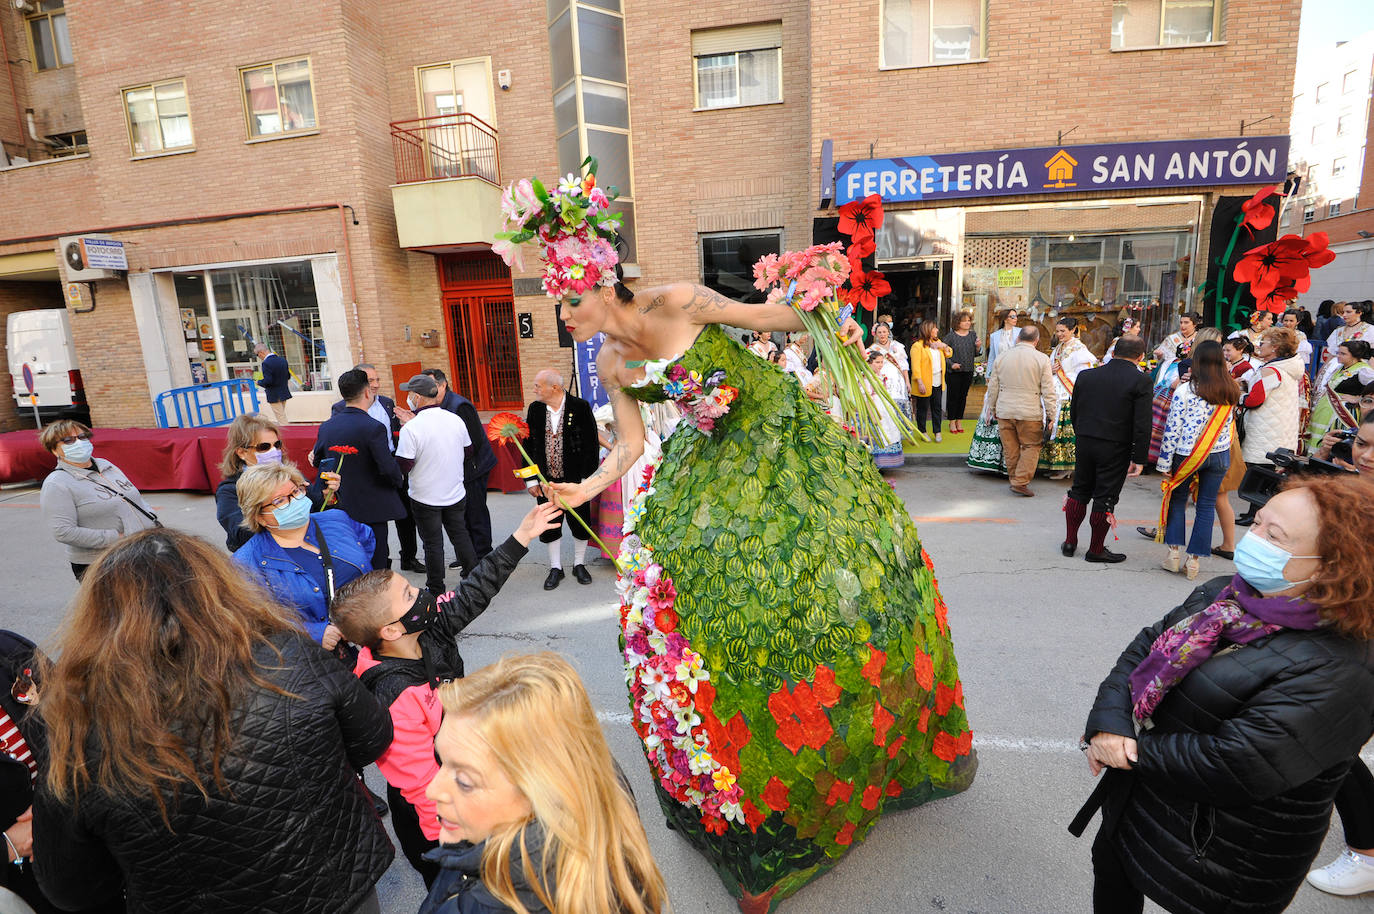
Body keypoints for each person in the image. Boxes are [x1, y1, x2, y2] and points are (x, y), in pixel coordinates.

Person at [499, 172, 974, 909]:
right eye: (558, 302)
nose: (564, 316)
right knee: (703, 597)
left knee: (832, 568)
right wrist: (580, 491)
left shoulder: (680, 299)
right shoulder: (610, 362)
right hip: (712, 461)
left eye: (570, 299)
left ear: (602, 282)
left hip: (783, 440)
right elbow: (625, 447)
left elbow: (768, 318)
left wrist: (823, 308)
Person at [32, 529, 395, 914]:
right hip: (335, 886)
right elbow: (372, 737)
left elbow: (71, 888)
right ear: (219, 586)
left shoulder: (78, 727)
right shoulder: (288, 654)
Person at [1074, 475, 1374, 914]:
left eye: (1275, 536)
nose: (1255, 539)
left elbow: (1241, 763)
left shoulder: (1344, 665)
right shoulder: (1229, 594)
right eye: (1258, 523)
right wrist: (1109, 722)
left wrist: (1128, 751)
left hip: (1227, 849)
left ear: (1331, 566)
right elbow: (1147, 647)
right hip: (1146, 802)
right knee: (1116, 870)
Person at [331, 502, 562, 888]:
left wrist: (522, 536)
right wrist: (454, 844)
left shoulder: (428, 629)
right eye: (408, 594)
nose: (421, 593)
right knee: (453, 889)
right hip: (434, 817)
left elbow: (473, 592)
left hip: (463, 770)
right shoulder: (394, 695)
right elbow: (422, 784)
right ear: (389, 631)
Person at [419, 653, 668, 914]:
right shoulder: (590, 778)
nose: (432, 790)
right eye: (442, 761)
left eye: (464, 781)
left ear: (540, 794)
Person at [232, 462, 374, 651]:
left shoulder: (336, 519)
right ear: (259, 517)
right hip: (312, 658)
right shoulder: (246, 563)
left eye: (296, 491)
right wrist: (314, 633)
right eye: (280, 501)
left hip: (372, 636)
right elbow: (252, 623)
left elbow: (366, 541)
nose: (294, 502)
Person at [1062, 336, 1152, 563]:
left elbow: (1075, 410)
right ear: (1140, 357)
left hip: (1086, 439)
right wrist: (1139, 458)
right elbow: (1142, 423)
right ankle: (1095, 549)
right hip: (1116, 445)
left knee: (1080, 489)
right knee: (1105, 496)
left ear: (1113, 352)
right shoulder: (1141, 381)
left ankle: (1070, 542)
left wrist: (1081, 433)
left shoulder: (1087, 376)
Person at [1154, 340, 1239, 581]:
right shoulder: (1231, 390)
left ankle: (1173, 554)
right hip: (1219, 453)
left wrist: (1164, 464)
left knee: (1178, 500)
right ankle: (1194, 560)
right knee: (1206, 505)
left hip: (1187, 453)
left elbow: (1172, 429)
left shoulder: (1186, 390)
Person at [38, 420, 158, 581]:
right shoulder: (57, 483)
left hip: (141, 550)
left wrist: (151, 519)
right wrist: (117, 538)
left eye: (82, 436)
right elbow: (63, 531)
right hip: (102, 562)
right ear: (54, 450)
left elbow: (133, 498)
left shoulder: (106, 466)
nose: (79, 442)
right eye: (68, 440)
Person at [333, 363, 424, 573]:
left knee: (406, 515)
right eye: (370, 380)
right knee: (374, 523)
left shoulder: (387, 403)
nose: (375, 385)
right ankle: (378, 562)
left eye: (377, 380)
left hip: (392, 462)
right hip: (365, 469)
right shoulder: (341, 408)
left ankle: (409, 556)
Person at [314, 369, 407, 570]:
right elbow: (386, 466)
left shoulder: (327, 426)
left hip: (341, 503)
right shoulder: (373, 427)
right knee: (378, 557)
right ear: (366, 393)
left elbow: (319, 461)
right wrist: (398, 480)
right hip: (372, 505)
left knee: (350, 557)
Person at [397, 373, 478, 594]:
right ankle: (475, 579)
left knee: (433, 544)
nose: (409, 398)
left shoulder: (411, 428)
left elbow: (403, 464)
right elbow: (468, 450)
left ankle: (436, 588)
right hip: (454, 491)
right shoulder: (454, 419)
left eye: (410, 394)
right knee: (460, 534)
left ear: (417, 397)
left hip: (424, 495)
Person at [524, 370, 599, 590]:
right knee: (550, 523)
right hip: (546, 482)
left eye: (538, 386)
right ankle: (556, 567)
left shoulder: (580, 407)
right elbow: (527, 444)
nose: (535, 389)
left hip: (575, 480)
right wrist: (531, 480)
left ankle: (579, 563)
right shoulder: (535, 409)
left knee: (580, 521)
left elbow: (591, 444)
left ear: (554, 388)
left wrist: (586, 481)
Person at [424, 368, 499, 563]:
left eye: (431, 387)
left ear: (443, 385)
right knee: (459, 516)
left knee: (475, 513)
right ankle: (467, 555)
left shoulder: (459, 406)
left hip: (473, 468)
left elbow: (473, 442)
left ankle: (483, 555)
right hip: (455, 470)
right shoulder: (435, 407)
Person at [1236, 327, 1307, 526]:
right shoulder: (1288, 369)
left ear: (1275, 348)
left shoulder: (1270, 370)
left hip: (1265, 429)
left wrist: (1238, 396)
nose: (1260, 345)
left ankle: (1256, 514)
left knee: (1259, 473)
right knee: (1268, 474)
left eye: (1264, 342)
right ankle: (1254, 512)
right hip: (1279, 428)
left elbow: (1254, 400)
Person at [986, 325, 1058, 497]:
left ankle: (1015, 479)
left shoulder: (1002, 357)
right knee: (1031, 446)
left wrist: (993, 408)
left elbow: (993, 387)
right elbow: (1048, 391)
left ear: (1018, 338)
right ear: (1036, 340)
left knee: (1010, 448)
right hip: (1029, 411)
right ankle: (1020, 481)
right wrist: (1052, 415)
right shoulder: (1041, 359)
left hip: (1005, 410)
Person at [1040, 317, 1098, 479]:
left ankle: (1067, 467)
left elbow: (1083, 373)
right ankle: (1053, 463)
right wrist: (1051, 370)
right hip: (1055, 390)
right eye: (1057, 331)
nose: (1059, 334)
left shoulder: (1079, 348)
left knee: (1064, 428)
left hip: (1068, 392)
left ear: (1073, 330)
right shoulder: (1058, 347)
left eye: (1062, 331)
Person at [1304, 340, 1374, 453]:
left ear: (1354, 356)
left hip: (1341, 415)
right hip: (1325, 411)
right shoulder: (1341, 367)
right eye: (1338, 352)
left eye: (1343, 354)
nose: (1338, 356)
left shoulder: (1364, 370)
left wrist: (1358, 398)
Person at [1317, 301, 1374, 394]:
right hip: (1334, 368)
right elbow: (1331, 354)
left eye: (1348, 312)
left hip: (1357, 368)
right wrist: (1322, 370)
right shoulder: (1338, 330)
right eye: (1343, 312)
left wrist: (1371, 370)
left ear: (1359, 313)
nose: (1344, 315)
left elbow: (1372, 355)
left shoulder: (1370, 330)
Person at [910, 320, 951, 441]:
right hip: (924, 381)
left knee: (937, 407)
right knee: (922, 408)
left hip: (938, 379)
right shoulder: (917, 346)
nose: (937, 330)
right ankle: (923, 431)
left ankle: (937, 431)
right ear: (928, 330)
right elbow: (915, 366)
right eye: (935, 328)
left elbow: (949, 353)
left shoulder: (938, 342)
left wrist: (944, 346)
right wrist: (920, 382)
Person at [865, 350, 905, 468]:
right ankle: (876, 464)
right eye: (877, 362)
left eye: (882, 362)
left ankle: (887, 463)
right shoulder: (867, 378)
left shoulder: (880, 376)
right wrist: (872, 414)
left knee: (890, 431)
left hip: (885, 407)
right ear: (869, 363)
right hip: (875, 408)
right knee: (879, 433)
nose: (880, 365)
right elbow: (866, 397)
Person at [942, 310, 979, 434]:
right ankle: (951, 421)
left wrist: (978, 347)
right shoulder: (950, 336)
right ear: (958, 323)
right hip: (954, 372)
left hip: (968, 370)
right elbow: (943, 354)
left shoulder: (973, 335)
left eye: (969, 320)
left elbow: (976, 354)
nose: (968, 323)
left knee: (963, 397)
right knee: (953, 397)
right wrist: (952, 365)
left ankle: (959, 420)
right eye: (965, 321)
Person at [1152, 311, 1200, 382]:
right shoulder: (1172, 338)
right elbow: (1159, 358)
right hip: (1170, 372)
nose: (1182, 325)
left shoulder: (1200, 338)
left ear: (1194, 324)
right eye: (1181, 322)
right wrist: (1159, 355)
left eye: (1186, 322)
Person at [253, 341, 292, 425]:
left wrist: (259, 382)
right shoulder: (282, 360)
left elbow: (268, 381)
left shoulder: (266, 363)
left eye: (257, 355)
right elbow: (288, 376)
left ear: (261, 353)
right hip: (284, 392)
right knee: (282, 415)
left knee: (281, 418)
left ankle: (287, 435)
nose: (259, 357)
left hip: (274, 394)